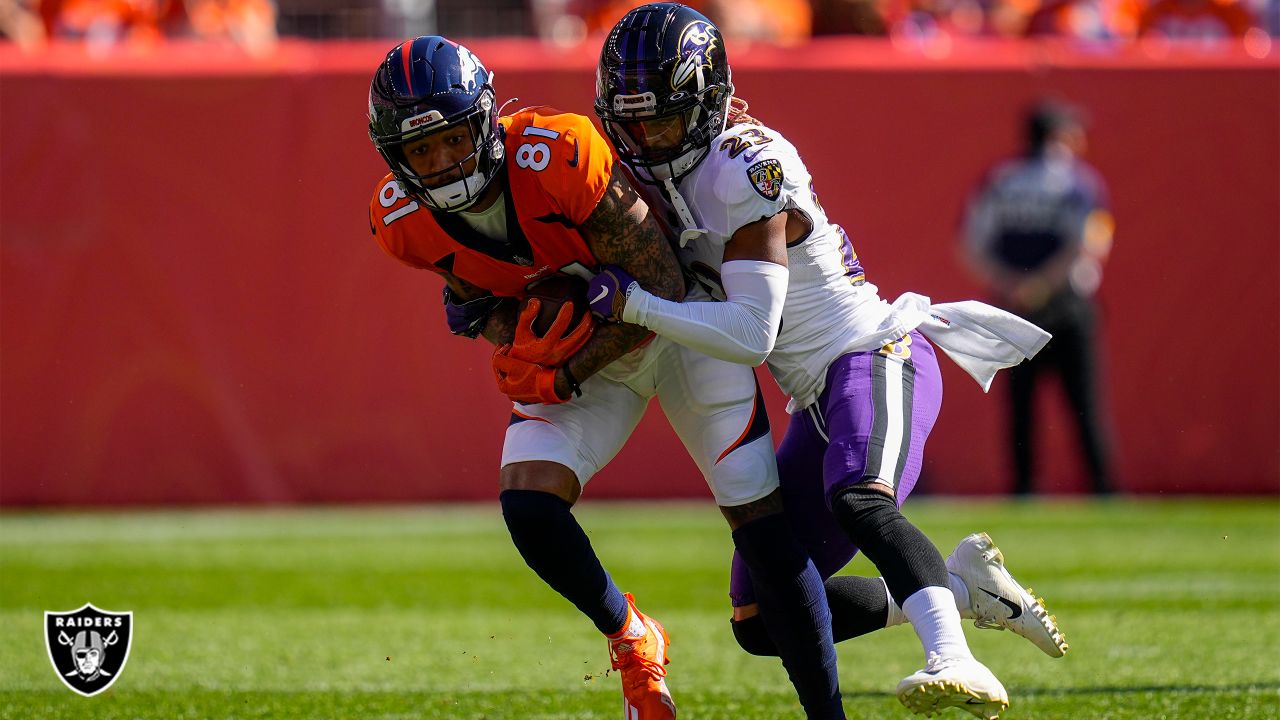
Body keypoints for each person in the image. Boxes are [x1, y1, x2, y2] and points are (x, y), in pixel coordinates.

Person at [589, 4, 1066, 718]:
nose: (649, 140)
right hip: (813, 399)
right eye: (634, 125)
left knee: (860, 496)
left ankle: (953, 657)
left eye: (662, 120)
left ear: (707, 100)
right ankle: (966, 590)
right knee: (761, 617)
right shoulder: (664, 182)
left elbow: (752, 333)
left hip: (874, 354)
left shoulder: (745, 163)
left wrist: (636, 307)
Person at [365, 35, 843, 719]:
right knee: (529, 505)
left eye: (452, 139)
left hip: (678, 330)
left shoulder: (558, 155)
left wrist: (563, 371)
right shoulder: (400, 221)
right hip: (594, 354)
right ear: (396, 158)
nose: (442, 162)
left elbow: (663, 282)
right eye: (421, 150)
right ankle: (630, 637)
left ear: (486, 120)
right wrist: (514, 339)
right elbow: (476, 298)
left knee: (761, 532)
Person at [962, 101, 1116, 496]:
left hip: (1012, 307)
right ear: (1059, 136)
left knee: (1020, 408)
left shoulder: (1000, 179)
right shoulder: (1080, 182)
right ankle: (1102, 489)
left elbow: (969, 243)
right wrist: (1045, 283)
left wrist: (1012, 283)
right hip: (1068, 304)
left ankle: (1024, 490)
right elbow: (1090, 243)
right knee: (1084, 405)